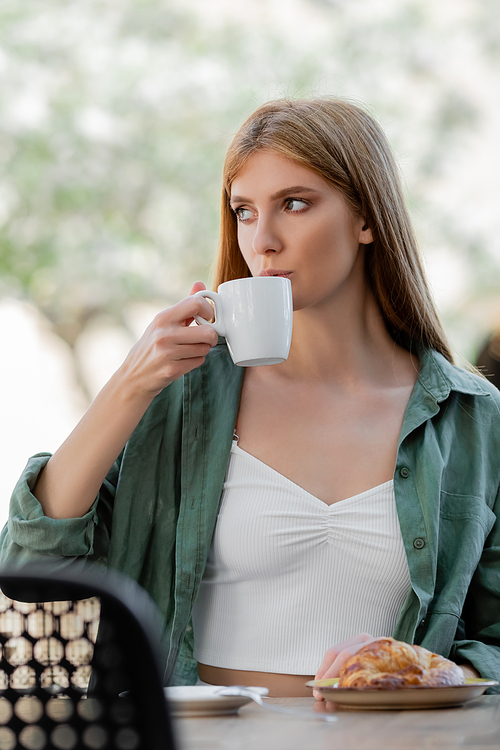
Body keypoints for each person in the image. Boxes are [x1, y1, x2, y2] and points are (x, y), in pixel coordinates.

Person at [1, 98, 499, 698]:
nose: (262, 240)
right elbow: (32, 571)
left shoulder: (471, 419)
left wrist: (426, 672)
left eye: (295, 204)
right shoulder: (182, 397)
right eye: (243, 210)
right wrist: (130, 384)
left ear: (367, 218)